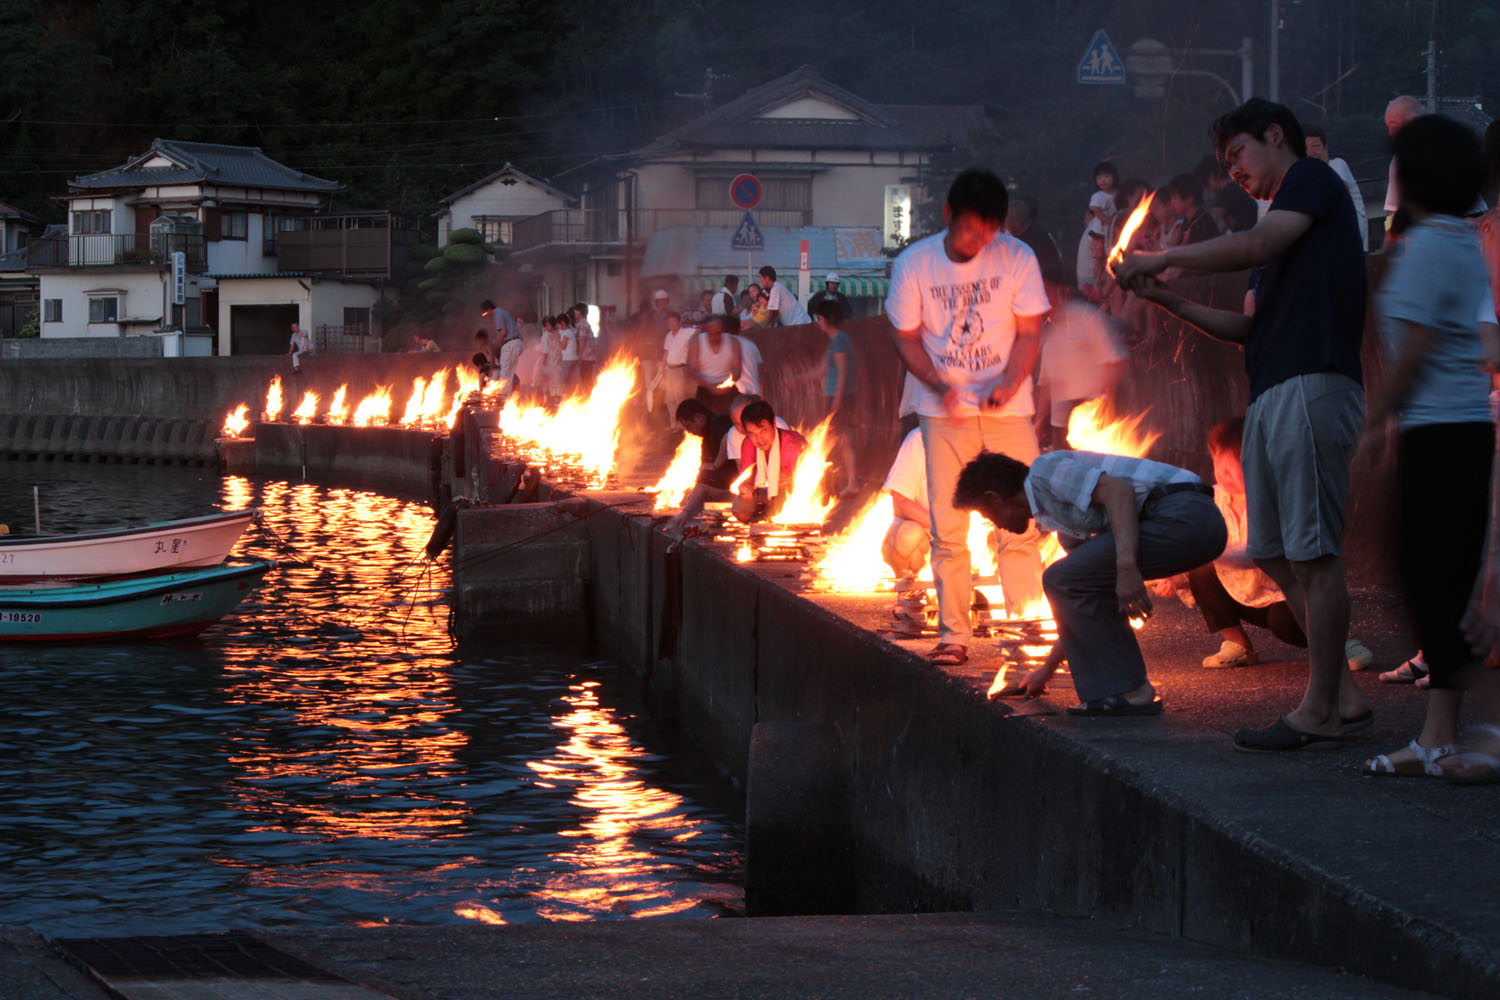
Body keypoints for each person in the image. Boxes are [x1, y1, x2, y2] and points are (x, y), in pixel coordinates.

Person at [1115, 98, 1371, 752]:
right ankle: (1340, 689)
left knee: (1315, 554)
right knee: (1275, 549)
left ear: (1275, 136)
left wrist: (1157, 261)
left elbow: (1253, 242)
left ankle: (1320, 708)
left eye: (1239, 156)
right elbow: (1247, 329)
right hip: (1274, 387)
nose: (1234, 173)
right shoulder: (1274, 231)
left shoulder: (1311, 181)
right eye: (1226, 163)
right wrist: (1168, 298)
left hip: (1316, 381)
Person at [1359, 115, 1500, 777]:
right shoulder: (1465, 242)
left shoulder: (1423, 249)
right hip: (1466, 430)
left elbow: (1409, 356)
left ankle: (1489, 724)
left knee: (1427, 590)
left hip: (1437, 435)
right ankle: (1439, 737)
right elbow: (1477, 342)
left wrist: (1370, 429)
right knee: (1443, 584)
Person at [886, 167, 1051, 667]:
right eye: (969, 230)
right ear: (947, 216)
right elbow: (906, 338)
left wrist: (1009, 382)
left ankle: (1024, 629)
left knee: (1022, 522)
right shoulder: (915, 263)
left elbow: (1029, 332)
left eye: (990, 231)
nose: (980, 241)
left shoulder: (1019, 257)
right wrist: (939, 385)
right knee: (947, 523)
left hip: (1008, 409)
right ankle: (953, 636)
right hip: (942, 412)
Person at [953, 450, 1226, 714]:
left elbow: (1119, 491)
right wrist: (1046, 671)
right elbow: (1078, 603)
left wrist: (1127, 569)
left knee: (1059, 577)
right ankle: (1124, 692)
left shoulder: (1045, 471)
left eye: (987, 517)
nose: (995, 526)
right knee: (1071, 580)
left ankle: (1130, 690)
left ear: (995, 497)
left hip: (1186, 514)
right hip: (1190, 526)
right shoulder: (1063, 525)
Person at [1151, 417, 1375, 673]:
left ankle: (1338, 643)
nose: (1223, 474)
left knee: (1285, 622)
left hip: (1286, 595)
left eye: (1233, 466)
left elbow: (1258, 553)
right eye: (1218, 464)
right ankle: (1238, 645)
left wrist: (1207, 553)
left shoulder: (1276, 501)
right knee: (1199, 573)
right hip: (1239, 591)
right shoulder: (1212, 500)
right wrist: (1178, 577)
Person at [1033, 296, 1125, 451]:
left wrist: (1100, 402)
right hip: (1061, 423)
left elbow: (1116, 362)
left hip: (1091, 415)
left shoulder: (1087, 317)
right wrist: (1038, 422)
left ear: (1060, 290)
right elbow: (1046, 384)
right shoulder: (1048, 332)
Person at [882, 427, 931, 635]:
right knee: (905, 535)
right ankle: (912, 596)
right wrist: (942, 527)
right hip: (932, 532)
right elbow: (900, 502)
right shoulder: (920, 439)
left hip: (973, 536)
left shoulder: (988, 434)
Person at [664, 398, 739, 533]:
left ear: (699, 418)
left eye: (688, 426)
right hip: (722, 483)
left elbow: (729, 438)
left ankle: (686, 515)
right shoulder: (706, 438)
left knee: (705, 478)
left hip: (738, 479)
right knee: (699, 485)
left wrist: (716, 464)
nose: (689, 431)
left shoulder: (719, 422)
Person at [734, 399, 808, 523]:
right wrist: (745, 489)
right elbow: (746, 480)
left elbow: (807, 484)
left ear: (774, 423)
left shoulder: (792, 445)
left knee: (779, 520)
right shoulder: (748, 443)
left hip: (799, 491)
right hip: (769, 491)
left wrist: (792, 479)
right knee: (740, 509)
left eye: (763, 431)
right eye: (752, 434)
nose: (759, 439)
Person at [815, 298, 858, 496]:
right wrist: (794, 380)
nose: (818, 322)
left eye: (819, 318)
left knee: (841, 439)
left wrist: (837, 399)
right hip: (837, 396)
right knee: (840, 439)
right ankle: (847, 482)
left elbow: (842, 370)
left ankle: (851, 483)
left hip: (839, 397)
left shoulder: (839, 340)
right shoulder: (837, 341)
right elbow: (821, 370)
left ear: (824, 319)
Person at [1304, 124, 1369, 252]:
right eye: (1306, 149)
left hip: (1351, 233)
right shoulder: (1308, 175)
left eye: (1316, 146)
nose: (1311, 153)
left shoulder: (1338, 165)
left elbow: (1327, 192)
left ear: (1326, 147)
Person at [1381, 96, 1424, 250]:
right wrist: (1388, 246)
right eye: (1388, 127)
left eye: (1394, 126)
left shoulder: (1446, 150)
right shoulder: (1398, 161)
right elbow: (1392, 210)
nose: (1390, 133)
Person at [686, 313, 742, 413]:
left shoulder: (733, 342)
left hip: (728, 390)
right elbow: (692, 369)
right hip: (705, 389)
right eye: (712, 333)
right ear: (706, 331)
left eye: (718, 332)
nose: (715, 336)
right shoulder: (696, 342)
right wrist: (710, 386)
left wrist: (728, 384)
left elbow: (737, 368)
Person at [1078, 160, 1118, 296]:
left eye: (1107, 177)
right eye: (1100, 177)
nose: (1103, 181)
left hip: (1112, 233)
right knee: (1099, 258)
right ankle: (1096, 283)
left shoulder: (1117, 195)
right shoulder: (1097, 196)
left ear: (1114, 177)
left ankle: (1106, 283)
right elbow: (1095, 210)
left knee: (1109, 258)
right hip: (1099, 233)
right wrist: (1107, 220)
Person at [1196, 154, 1258, 234]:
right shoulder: (1238, 188)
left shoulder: (1226, 193)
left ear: (1214, 175)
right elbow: (1220, 228)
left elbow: (1210, 224)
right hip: (1249, 237)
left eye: (1206, 183)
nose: (1208, 189)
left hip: (1243, 241)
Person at [660, 311, 697, 429]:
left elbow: (699, 331)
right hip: (669, 369)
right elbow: (666, 352)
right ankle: (673, 423)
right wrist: (662, 367)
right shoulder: (669, 335)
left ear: (679, 322)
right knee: (669, 398)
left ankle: (683, 424)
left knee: (680, 397)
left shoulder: (687, 332)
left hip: (680, 369)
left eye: (674, 321)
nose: (671, 324)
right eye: (669, 322)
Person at [1166, 173, 1218, 246]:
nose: (1172, 203)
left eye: (1175, 198)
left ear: (1190, 198)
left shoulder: (1203, 223)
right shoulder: (1187, 221)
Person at [494, 319, 524, 403]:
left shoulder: (506, 329)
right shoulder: (515, 330)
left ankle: (503, 399)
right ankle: (507, 399)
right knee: (509, 375)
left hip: (509, 347)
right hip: (517, 345)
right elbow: (522, 339)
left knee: (505, 375)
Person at [539, 315, 564, 405]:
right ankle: (554, 399)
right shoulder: (549, 335)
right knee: (553, 379)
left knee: (556, 379)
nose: (546, 327)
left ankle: (556, 399)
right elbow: (545, 350)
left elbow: (545, 350)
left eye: (548, 325)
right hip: (552, 360)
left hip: (556, 359)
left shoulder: (554, 334)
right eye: (545, 326)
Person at [571, 304, 596, 389]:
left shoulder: (582, 324)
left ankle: (587, 398)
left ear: (580, 312)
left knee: (586, 380)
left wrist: (580, 356)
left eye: (576, 311)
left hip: (586, 357)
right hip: (589, 357)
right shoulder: (585, 323)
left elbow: (582, 341)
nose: (574, 313)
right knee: (587, 380)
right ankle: (587, 397)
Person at [557, 310, 579, 391]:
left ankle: (566, 398)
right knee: (569, 380)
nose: (558, 326)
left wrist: (557, 338)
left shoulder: (567, 333)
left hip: (568, 359)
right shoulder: (569, 332)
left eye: (558, 324)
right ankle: (569, 396)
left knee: (562, 380)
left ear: (562, 323)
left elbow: (563, 346)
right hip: (572, 358)